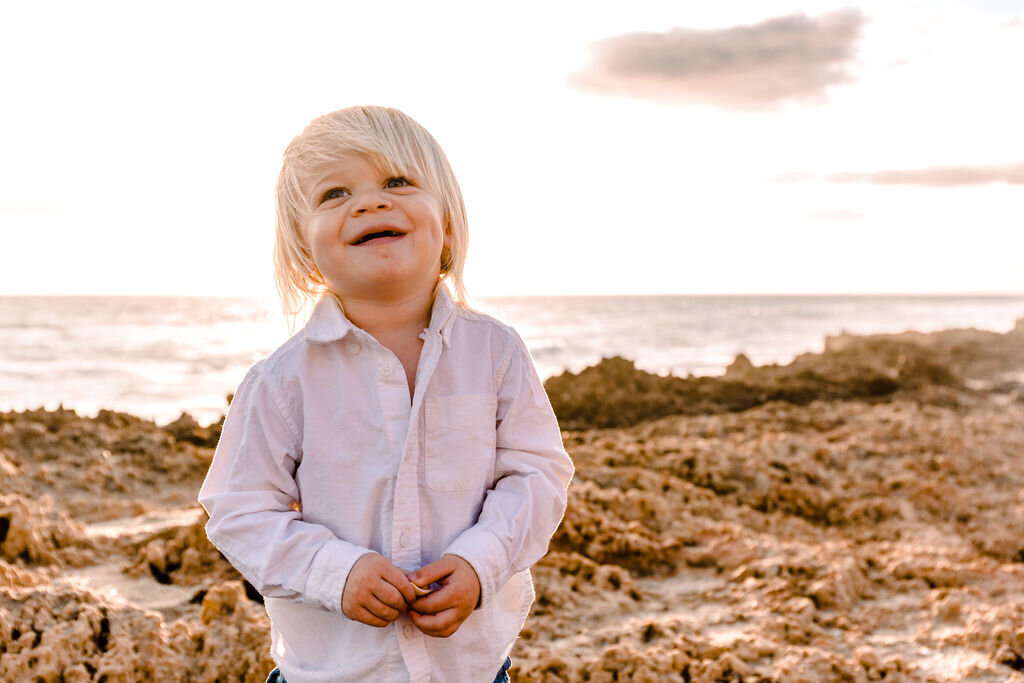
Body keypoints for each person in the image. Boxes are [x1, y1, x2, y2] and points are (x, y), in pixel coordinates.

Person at [199, 106, 574, 683]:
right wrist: (334, 571)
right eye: (335, 194)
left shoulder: (495, 353)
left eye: (397, 182)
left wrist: (480, 563)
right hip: (327, 673)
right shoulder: (280, 382)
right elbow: (240, 510)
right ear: (304, 250)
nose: (370, 202)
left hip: (468, 670)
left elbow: (537, 475)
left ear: (447, 223)